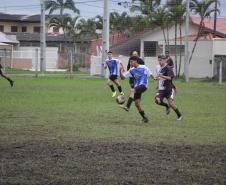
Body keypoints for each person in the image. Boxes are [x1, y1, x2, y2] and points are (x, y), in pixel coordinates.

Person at [120, 56, 152, 123]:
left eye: (131, 61)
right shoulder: (131, 70)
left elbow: (150, 74)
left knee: (132, 90)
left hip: (143, 85)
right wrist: (120, 72)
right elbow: (123, 77)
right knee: (137, 104)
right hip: (137, 87)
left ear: (136, 61)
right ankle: (145, 118)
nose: (130, 63)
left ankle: (127, 106)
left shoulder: (143, 67)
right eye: (130, 62)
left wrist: (154, 78)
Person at [155, 55, 183, 121]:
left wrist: (162, 76)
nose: (159, 62)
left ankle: (179, 115)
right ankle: (166, 106)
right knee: (157, 100)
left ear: (165, 60)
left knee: (171, 103)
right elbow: (159, 77)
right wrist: (157, 82)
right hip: (161, 89)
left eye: (161, 60)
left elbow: (170, 78)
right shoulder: (158, 67)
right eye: (159, 60)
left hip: (169, 89)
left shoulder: (168, 68)